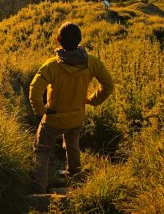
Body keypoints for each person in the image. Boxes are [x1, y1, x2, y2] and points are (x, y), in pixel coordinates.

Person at [29, 22, 114, 192]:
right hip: (76, 116)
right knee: (72, 145)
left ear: (58, 40)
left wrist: (41, 111)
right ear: (80, 40)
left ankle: (39, 186)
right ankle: (75, 177)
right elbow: (108, 85)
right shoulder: (91, 62)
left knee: (42, 150)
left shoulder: (52, 65)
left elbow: (34, 90)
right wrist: (92, 100)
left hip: (53, 117)